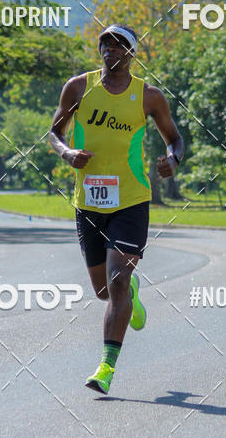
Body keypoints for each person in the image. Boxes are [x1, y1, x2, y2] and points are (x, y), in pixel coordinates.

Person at [49, 24, 183, 394]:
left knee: (117, 280)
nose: (110, 51)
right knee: (103, 290)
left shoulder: (149, 97)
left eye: (119, 45)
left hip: (131, 200)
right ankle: (131, 295)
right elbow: (55, 132)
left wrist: (173, 159)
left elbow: (175, 139)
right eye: (105, 45)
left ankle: (106, 368)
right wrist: (67, 153)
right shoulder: (78, 88)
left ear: (132, 53)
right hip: (88, 203)